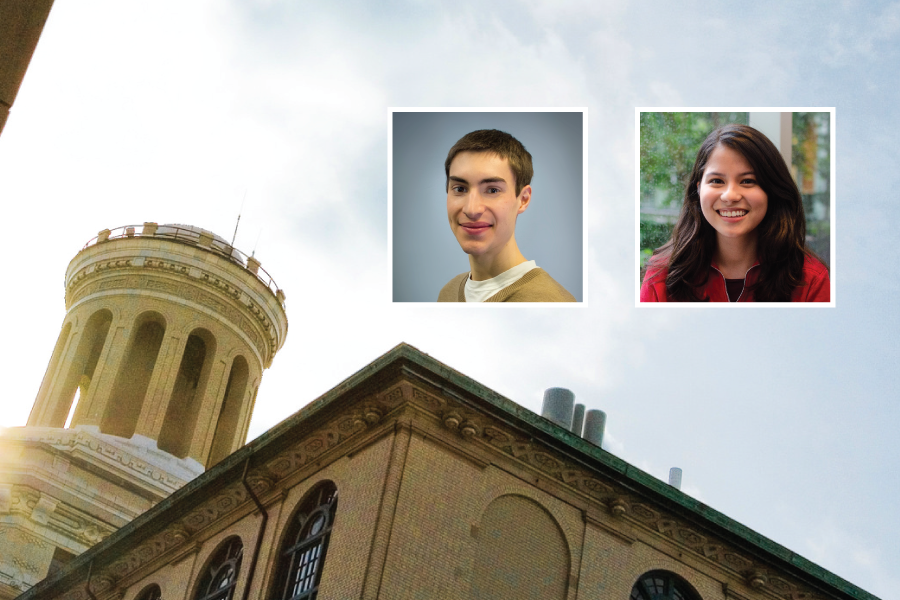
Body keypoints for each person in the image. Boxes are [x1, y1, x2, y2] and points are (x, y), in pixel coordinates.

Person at [640, 124, 830, 303]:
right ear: (698, 190)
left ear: (772, 190)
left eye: (748, 181)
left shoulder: (811, 279)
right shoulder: (662, 275)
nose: (730, 195)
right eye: (716, 181)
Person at [437, 129, 576, 302]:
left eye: (492, 190)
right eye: (460, 189)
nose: (471, 210)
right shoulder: (448, 293)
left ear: (523, 199)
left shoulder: (551, 302)